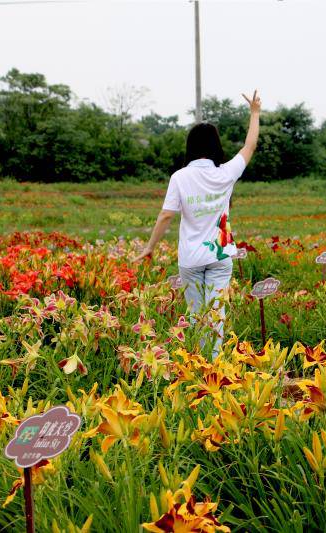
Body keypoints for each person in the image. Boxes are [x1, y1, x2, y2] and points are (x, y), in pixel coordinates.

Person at [134, 91, 261, 357]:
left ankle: (198, 365)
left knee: (195, 314)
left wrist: (149, 247)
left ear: (190, 146)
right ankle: (213, 366)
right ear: (216, 147)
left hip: (191, 257)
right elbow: (249, 147)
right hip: (220, 253)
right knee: (216, 314)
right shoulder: (225, 173)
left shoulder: (180, 177)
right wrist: (255, 113)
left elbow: (166, 216)